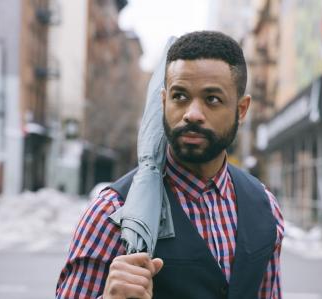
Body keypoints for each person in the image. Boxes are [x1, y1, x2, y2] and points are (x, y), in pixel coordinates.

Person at [56, 31, 284, 299]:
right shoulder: (114, 212)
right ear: (163, 101)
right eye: (180, 96)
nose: (192, 114)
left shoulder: (264, 207)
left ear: (241, 109)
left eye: (212, 99)